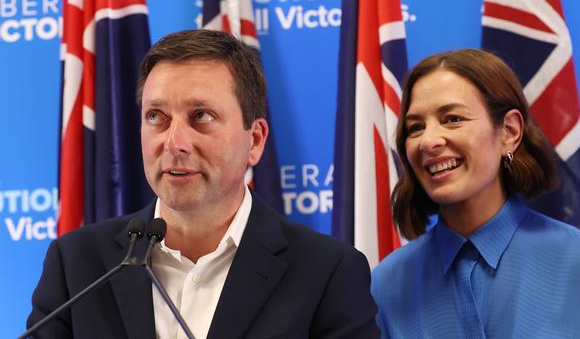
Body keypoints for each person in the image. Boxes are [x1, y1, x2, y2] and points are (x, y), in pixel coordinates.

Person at [28, 29, 379, 339]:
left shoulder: (327, 272)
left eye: (201, 116)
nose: (174, 142)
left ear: (255, 140)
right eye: (156, 117)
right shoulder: (77, 264)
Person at [371, 49, 580, 338]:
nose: (428, 141)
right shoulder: (386, 285)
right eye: (416, 127)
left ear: (509, 131)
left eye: (452, 119)